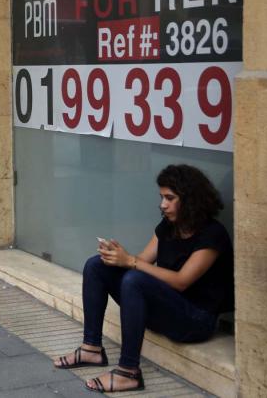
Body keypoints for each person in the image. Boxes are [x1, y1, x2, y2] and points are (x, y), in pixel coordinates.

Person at [53, 164, 233, 393]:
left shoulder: (212, 234)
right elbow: (141, 261)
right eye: (161, 197)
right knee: (96, 266)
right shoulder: (169, 227)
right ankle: (91, 349)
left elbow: (181, 281)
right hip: (167, 309)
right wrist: (118, 257)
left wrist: (131, 262)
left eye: (170, 198)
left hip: (196, 320)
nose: (163, 205)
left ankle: (129, 372)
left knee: (134, 280)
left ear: (191, 199)